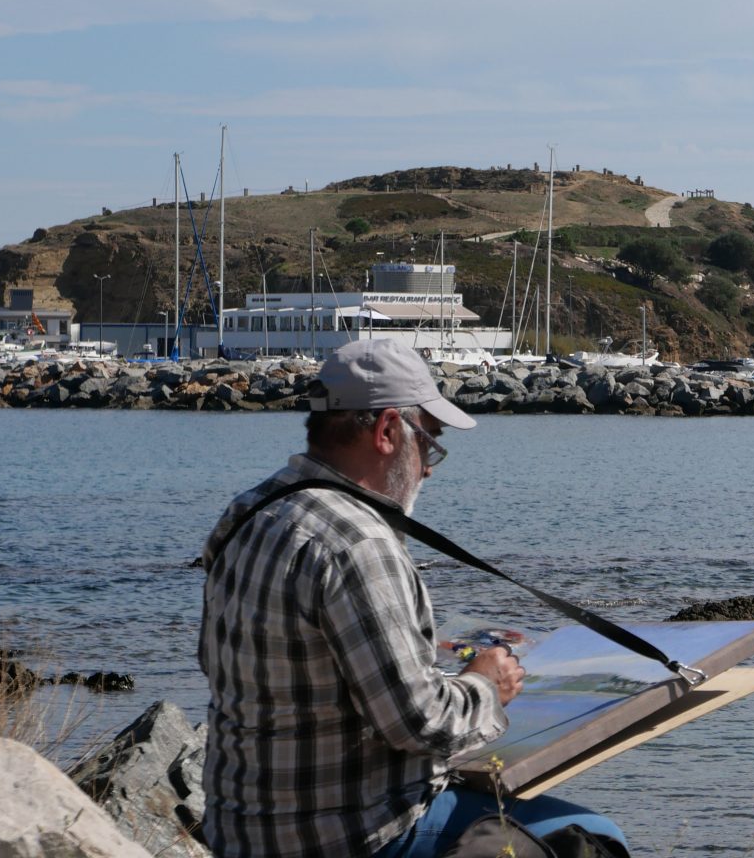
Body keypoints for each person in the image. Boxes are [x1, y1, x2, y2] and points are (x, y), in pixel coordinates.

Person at [198, 338, 630, 858]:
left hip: (239, 827)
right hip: (352, 837)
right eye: (429, 444)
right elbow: (419, 723)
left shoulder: (249, 511)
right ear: (386, 431)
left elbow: (218, 661)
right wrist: (485, 685)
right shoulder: (359, 543)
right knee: (593, 835)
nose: (427, 467)